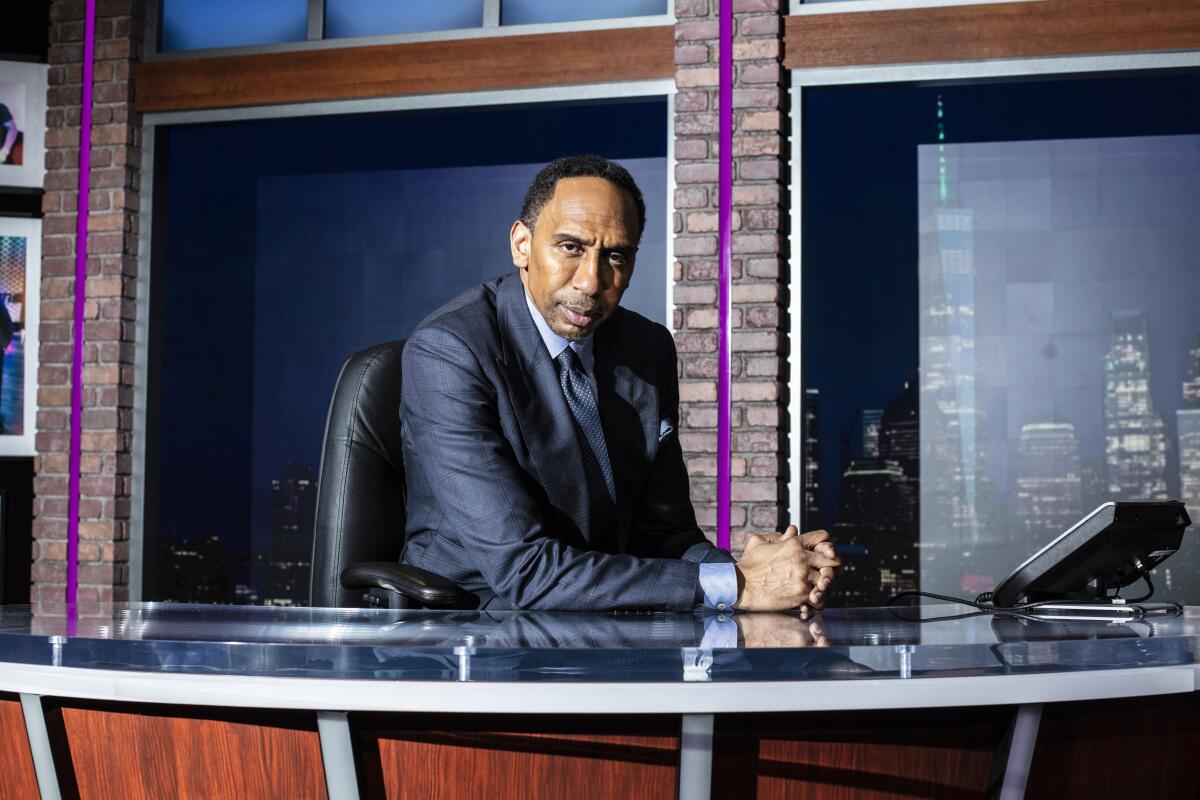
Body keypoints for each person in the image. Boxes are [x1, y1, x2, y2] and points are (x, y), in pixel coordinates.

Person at [399, 155, 839, 612]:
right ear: (522, 244)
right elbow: (525, 571)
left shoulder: (646, 349)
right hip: (476, 626)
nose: (591, 282)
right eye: (570, 247)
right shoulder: (450, 352)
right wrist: (737, 586)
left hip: (606, 614)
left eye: (615, 256)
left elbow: (666, 534)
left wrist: (773, 578)